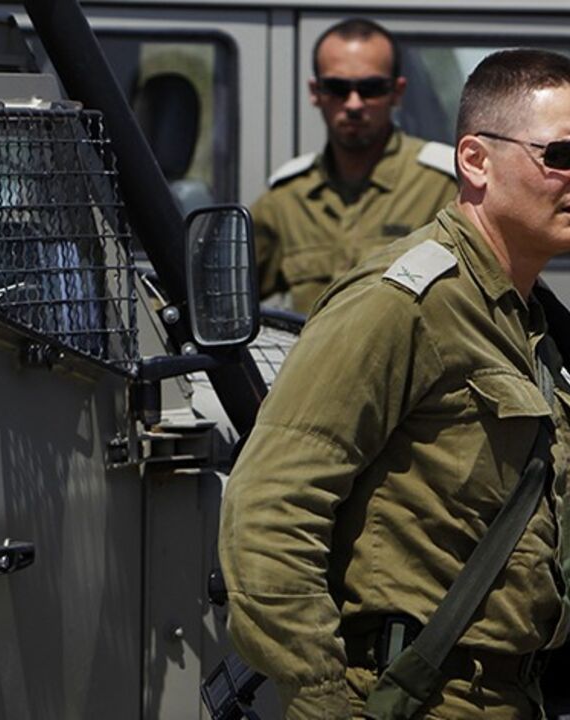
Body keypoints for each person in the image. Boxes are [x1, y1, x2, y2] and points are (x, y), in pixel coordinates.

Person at [219, 48, 570, 718]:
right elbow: (269, 506)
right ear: (475, 161)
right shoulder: (404, 301)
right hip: (411, 697)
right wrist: (323, 702)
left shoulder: (528, 318)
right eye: (561, 156)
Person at [252, 18, 456, 314]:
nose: (354, 103)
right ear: (315, 91)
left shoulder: (443, 187)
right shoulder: (287, 199)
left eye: (371, 88)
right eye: (337, 87)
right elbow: (214, 293)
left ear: (397, 92)